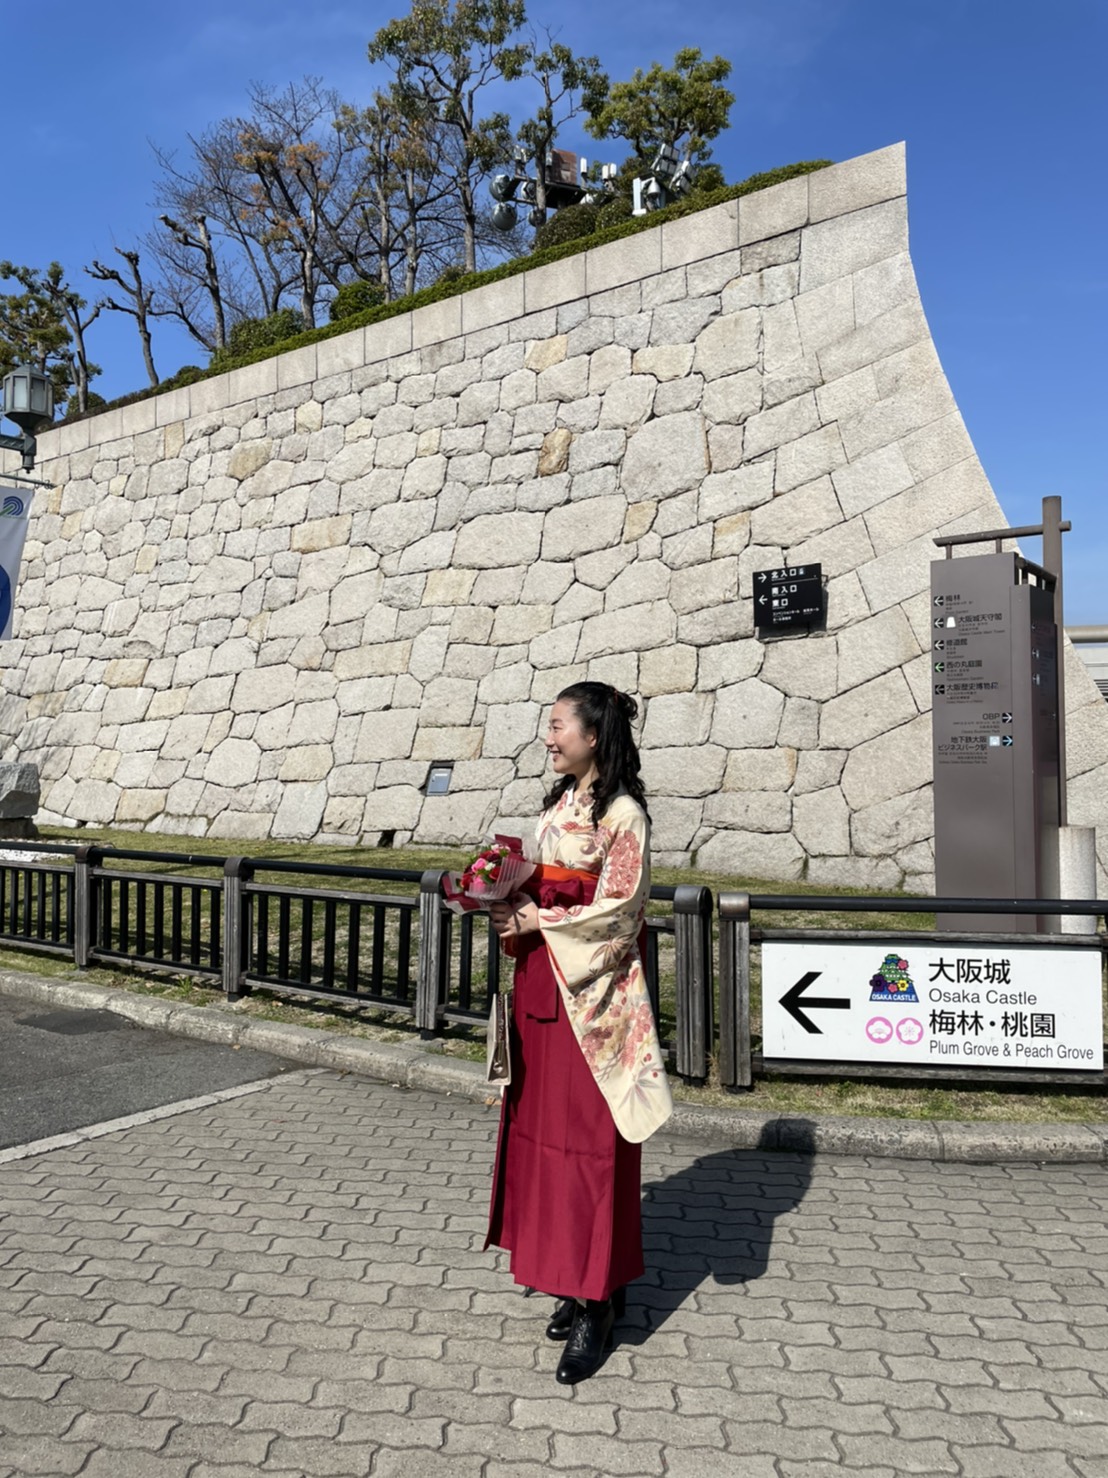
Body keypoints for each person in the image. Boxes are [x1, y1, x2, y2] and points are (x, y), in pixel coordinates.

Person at [486, 681, 674, 1385]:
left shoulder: (623, 816)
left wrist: (542, 919)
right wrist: (505, 900)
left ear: (594, 736)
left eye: (558, 725)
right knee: (546, 1144)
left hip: (595, 1000)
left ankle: (600, 1301)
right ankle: (571, 1277)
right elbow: (546, 884)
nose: (548, 737)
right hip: (545, 984)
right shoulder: (560, 803)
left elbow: (621, 910)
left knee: (593, 1150)